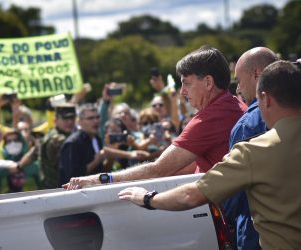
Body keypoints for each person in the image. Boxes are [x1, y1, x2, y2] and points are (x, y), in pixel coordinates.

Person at [118, 60, 301, 249]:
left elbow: (191, 195)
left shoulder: (254, 151)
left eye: (187, 83)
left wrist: (147, 198)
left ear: (266, 99)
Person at [63, 46, 246, 190]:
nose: (182, 92)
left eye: (186, 84)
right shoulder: (233, 105)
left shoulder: (211, 117)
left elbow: (159, 170)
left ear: (208, 82)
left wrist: (102, 179)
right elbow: (185, 167)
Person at [223, 47, 278, 250]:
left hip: (256, 229)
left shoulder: (247, 124)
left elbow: (233, 187)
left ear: (256, 74)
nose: (237, 89)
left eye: (238, 80)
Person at [59, 103, 104, 185]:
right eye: (90, 118)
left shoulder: (97, 139)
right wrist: (96, 161)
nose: (96, 121)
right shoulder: (73, 143)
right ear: (79, 121)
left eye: (97, 117)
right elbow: (72, 177)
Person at [40, 103, 77, 189]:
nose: (70, 122)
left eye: (72, 118)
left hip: (59, 187)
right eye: (65, 119)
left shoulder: (52, 134)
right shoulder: (57, 139)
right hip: (57, 188)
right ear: (55, 120)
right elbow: (70, 168)